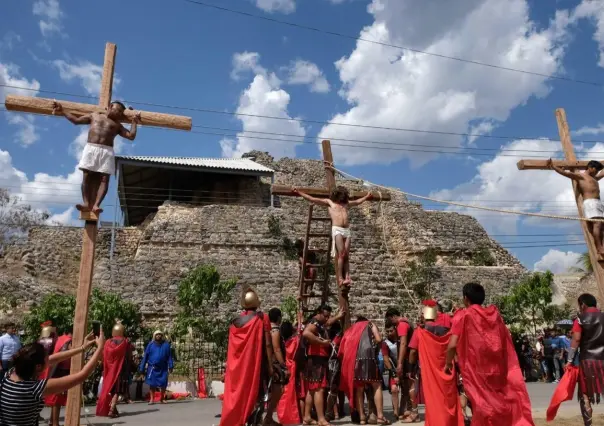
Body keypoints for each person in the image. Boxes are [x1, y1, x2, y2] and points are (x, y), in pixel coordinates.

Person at [445, 282, 534, 425]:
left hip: (475, 371)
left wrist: (448, 363)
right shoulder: (494, 316)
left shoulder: (463, 316)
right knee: (497, 403)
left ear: (466, 298)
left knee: (481, 405)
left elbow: (452, 345)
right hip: (496, 369)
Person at [52, 100, 141, 215]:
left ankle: (96, 205)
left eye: (121, 112)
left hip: (107, 151)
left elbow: (131, 136)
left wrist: (134, 122)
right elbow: (76, 121)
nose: (119, 113)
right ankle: (86, 203)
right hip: (91, 148)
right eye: (117, 110)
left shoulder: (117, 125)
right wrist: (62, 110)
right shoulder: (94, 116)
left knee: (104, 179)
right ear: (110, 107)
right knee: (87, 176)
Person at [0, 330, 103, 426]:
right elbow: (82, 375)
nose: (49, 358)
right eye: (46, 357)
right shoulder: (34, 388)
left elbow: (53, 359)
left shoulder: (10, 374)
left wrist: (82, 348)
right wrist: (100, 348)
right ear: (38, 366)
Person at [293, 186, 372, 288]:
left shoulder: (346, 204)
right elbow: (312, 199)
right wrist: (299, 192)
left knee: (346, 256)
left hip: (346, 231)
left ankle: (347, 277)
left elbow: (357, 202)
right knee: (342, 254)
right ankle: (340, 278)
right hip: (337, 229)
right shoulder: (330, 203)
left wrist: (366, 196)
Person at [220, 287, 274, 426]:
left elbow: (232, 347)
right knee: (258, 398)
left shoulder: (235, 321)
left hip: (237, 366)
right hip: (256, 364)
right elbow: (268, 344)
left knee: (240, 396)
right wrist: (271, 365)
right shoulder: (262, 318)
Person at [407, 300, 463, 426]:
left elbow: (412, 352)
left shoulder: (420, 332)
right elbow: (454, 350)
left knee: (434, 401)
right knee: (449, 400)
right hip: (447, 370)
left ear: (424, 315)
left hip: (430, 373)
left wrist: (411, 369)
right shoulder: (448, 331)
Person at [339, 316, 390, 425]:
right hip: (369, 359)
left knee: (359, 389)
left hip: (355, 361)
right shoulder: (370, 324)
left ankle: (362, 417)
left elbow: (343, 349)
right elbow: (378, 339)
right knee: (377, 385)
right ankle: (380, 416)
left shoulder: (350, 330)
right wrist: (373, 346)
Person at [548, 159, 604, 258]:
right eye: (596, 170)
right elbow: (565, 173)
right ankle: (599, 248)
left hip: (598, 203)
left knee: (601, 226)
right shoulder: (581, 176)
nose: (597, 172)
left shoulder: (594, 178)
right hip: (590, 202)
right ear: (590, 167)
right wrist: (553, 166)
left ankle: (601, 247)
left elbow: (603, 173)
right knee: (597, 224)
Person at [566, 293, 604, 425]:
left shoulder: (580, 319)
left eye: (579, 305)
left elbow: (576, 339)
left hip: (587, 361)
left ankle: (588, 423)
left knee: (585, 394)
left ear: (583, 304)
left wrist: (569, 360)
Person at [302, 304, 334, 426]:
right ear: (319, 313)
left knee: (311, 390)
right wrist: (322, 343)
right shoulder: (315, 322)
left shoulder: (318, 322)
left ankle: (307, 417)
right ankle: (321, 419)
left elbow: (327, 323)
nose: (327, 318)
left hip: (313, 359)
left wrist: (336, 317)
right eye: (325, 316)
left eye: (328, 316)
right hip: (316, 359)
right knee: (319, 389)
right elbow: (306, 333)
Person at [96, 321, 133, 418]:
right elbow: (129, 355)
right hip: (120, 369)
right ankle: (112, 409)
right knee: (117, 390)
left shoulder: (108, 342)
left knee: (112, 389)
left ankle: (114, 409)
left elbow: (105, 355)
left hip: (110, 369)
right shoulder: (125, 342)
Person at [384, 307, 414, 421]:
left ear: (393, 317)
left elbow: (403, 344)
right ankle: (403, 411)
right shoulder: (406, 323)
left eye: (389, 319)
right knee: (405, 387)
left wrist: (400, 363)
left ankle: (411, 411)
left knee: (408, 386)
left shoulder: (401, 325)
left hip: (407, 359)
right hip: (408, 358)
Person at [43, 330, 73, 426]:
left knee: (55, 398)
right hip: (61, 371)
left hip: (55, 370)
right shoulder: (69, 340)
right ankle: (55, 423)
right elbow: (72, 353)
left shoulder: (60, 338)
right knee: (57, 400)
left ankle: (52, 421)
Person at [267, 307, 289, 426]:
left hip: (270, 364)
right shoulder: (275, 330)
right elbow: (276, 349)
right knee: (277, 390)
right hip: (275, 364)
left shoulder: (266, 329)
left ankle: (268, 417)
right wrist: (283, 366)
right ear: (279, 318)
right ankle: (268, 417)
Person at [139, 330, 174, 405]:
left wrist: (171, 366)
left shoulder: (166, 345)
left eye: (160, 335)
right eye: (157, 335)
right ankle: (152, 399)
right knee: (152, 384)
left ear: (162, 336)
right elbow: (145, 357)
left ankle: (162, 398)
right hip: (153, 368)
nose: (158, 336)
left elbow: (169, 357)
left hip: (163, 368)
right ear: (154, 336)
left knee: (163, 383)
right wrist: (142, 368)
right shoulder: (150, 345)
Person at [381, 321, 400, 420]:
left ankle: (405, 410)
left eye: (391, 331)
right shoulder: (385, 343)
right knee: (394, 389)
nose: (389, 333)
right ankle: (396, 411)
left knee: (406, 390)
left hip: (403, 367)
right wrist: (393, 373)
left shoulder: (402, 340)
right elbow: (385, 358)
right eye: (387, 331)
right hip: (393, 367)